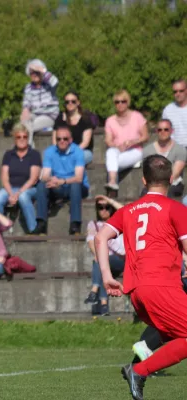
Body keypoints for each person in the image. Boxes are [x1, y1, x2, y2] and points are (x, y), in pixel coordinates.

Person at [95, 155, 187, 400]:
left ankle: (144, 351)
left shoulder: (127, 210)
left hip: (136, 291)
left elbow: (100, 237)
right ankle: (139, 370)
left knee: (173, 330)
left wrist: (106, 276)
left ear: (144, 180)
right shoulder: (176, 209)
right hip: (161, 287)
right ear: (171, 179)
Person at [32, 124, 90, 235]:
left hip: (76, 186)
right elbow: (45, 175)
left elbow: (78, 178)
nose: (62, 141)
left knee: (75, 185)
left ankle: (75, 225)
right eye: (59, 139)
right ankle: (41, 223)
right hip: (58, 186)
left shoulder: (78, 152)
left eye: (65, 138)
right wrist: (51, 179)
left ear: (71, 140)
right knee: (41, 185)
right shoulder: (50, 152)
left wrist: (62, 181)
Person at [0, 123, 41, 233]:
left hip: (30, 188)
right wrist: (11, 194)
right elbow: (4, 178)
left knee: (23, 197)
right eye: (19, 137)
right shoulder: (8, 155)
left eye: (25, 137)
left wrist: (17, 194)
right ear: (14, 138)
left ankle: (33, 229)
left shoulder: (34, 154)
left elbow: (33, 179)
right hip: (11, 187)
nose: (22, 139)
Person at [83, 195, 125, 316]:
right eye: (100, 207)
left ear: (112, 208)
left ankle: (93, 292)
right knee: (101, 263)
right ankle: (104, 305)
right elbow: (91, 241)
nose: (104, 210)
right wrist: (98, 255)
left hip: (122, 258)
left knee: (101, 261)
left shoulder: (119, 220)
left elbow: (126, 211)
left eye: (107, 207)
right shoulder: (94, 224)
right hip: (106, 259)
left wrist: (110, 200)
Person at [104, 90, 149, 193]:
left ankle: (111, 185)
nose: (120, 104)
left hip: (135, 150)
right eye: (117, 102)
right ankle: (112, 182)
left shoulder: (137, 116)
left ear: (127, 102)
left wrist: (132, 142)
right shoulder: (110, 120)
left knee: (111, 164)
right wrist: (117, 146)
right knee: (110, 152)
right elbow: (108, 140)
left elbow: (146, 136)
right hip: (118, 151)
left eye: (123, 101)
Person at [141, 119, 186, 198]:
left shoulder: (180, 150)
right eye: (160, 129)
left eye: (166, 129)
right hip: (152, 185)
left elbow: (175, 173)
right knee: (144, 194)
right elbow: (147, 172)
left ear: (172, 131)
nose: (163, 132)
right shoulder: (147, 150)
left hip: (172, 184)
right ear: (156, 131)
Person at [20, 59, 59, 146]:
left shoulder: (49, 84)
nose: (34, 75)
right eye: (31, 73)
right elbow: (26, 103)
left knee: (30, 126)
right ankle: (28, 147)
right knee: (22, 124)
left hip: (49, 115)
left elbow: (55, 81)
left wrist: (41, 69)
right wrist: (25, 111)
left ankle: (29, 149)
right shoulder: (28, 87)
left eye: (36, 72)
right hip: (35, 115)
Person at [52, 91, 95, 165]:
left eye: (73, 101)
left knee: (76, 158)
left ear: (78, 102)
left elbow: (85, 143)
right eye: (67, 102)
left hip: (82, 151)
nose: (70, 103)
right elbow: (54, 140)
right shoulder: (60, 118)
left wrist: (70, 152)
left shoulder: (85, 119)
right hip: (62, 150)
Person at [162, 79, 187, 148]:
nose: (178, 94)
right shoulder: (168, 110)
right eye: (175, 92)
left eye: (181, 91)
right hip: (174, 148)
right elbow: (164, 131)